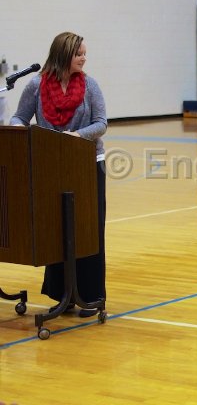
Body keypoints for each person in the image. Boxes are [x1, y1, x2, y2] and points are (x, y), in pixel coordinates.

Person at [11, 32, 108, 318]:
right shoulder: (36, 85)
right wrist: (19, 130)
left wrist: (77, 135)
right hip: (50, 165)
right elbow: (20, 116)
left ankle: (91, 296)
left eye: (84, 53)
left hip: (87, 164)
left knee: (87, 228)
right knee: (56, 229)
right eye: (79, 54)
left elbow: (101, 123)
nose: (84, 58)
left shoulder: (90, 85)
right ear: (64, 54)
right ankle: (62, 295)